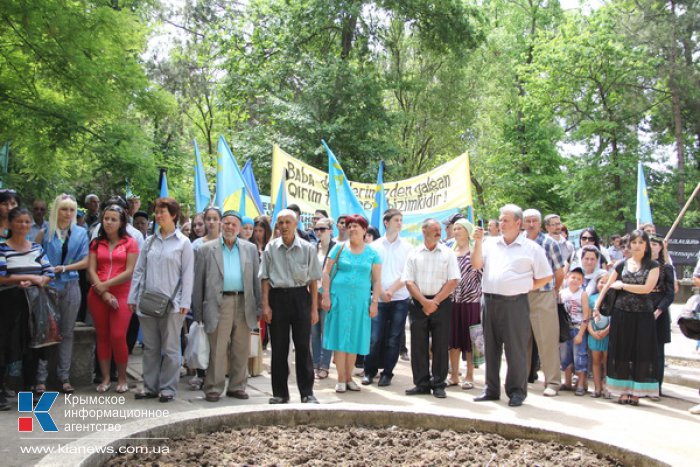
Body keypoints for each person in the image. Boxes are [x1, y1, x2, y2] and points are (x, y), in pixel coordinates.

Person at [472, 204, 552, 407]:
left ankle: (516, 391)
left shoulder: (531, 248)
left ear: (518, 223)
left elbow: (546, 276)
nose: (501, 223)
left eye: (505, 220)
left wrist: (526, 286)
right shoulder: (489, 243)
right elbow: (476, 265)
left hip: (515, 303)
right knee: (490, 347)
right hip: (489, 301)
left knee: (515, 350)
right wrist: (478, 243)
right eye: (500, 219)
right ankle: (491, 388)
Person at [128, 198, 194, 402]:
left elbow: (188, 274)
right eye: (156, 213)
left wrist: (185, 302)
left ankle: (168, 388)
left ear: (173, 215)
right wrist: (133, 296)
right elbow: (139, 271)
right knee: (150, 348)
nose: (158, 216)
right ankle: (150, 386)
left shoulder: (183, 243)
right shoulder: (149, 242)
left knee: (171, 349)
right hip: (147, 303)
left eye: (162, 213)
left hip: (172, 305)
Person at [192, 210, 261, 402]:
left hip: (243, 302)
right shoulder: (206, 249)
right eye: (227, 223)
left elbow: (256, 280)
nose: (230, 227)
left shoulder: (250, 249)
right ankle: (213, 387)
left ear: (239, 228)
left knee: (241, 348)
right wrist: (197, 312)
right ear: (221, 225)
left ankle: (237, 386)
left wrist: (259, 307)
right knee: (218, 348)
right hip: (218, 303)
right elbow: (198, 283)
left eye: (234, 224)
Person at [260, 209, 321, 404]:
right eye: (280, 222)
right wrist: (266, 306)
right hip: (277, 299)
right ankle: (280, 393)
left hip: (300, 297)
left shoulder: (308, 248)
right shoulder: (270, 249)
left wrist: (313, 309)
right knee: (278, 348)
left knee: (303, 346)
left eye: (288, 222)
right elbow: (265, 279)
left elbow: (313, 281)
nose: (284, 226)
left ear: (296, 224)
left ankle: (307, 393)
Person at [594, 229, 660, 406]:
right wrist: (596, 305)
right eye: (634, 242)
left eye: (641, 242)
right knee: (621, 350)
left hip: (643, 314)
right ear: (629, 244)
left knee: (641, 351)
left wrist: (623, 285)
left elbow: (647, 288)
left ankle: (637, 391)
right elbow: (608, 285)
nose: (637, 245)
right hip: (621, 313)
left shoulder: (653, 265)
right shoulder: (621, 264)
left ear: (646, 245)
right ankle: (622, 390)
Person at [0, 208, 54, 409]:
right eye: (19, 221)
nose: (23, 225)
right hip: (8, 305)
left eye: (26, 222)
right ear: (11, 224)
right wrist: (29, 278)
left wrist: (40, 280)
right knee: (5, 346)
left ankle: (29, 390)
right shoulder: (3, 248)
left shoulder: (36, 248)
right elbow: (2, 276)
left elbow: (48, 271)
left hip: (33, 304)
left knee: (32, 347)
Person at [35, 194, 89, 394]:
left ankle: (64, 376)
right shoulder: (45, 232)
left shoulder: (81, 233)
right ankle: (40, 379)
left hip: (71, 285)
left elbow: (86, 261)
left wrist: (64, 268)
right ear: (56, 210)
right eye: (64, 209)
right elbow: (36, 258)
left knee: (67, 332)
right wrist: (49, 271)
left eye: (72, 210)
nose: (68, 213)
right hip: (48, 287)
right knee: (47, 332)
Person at [322, 215, 382, 393]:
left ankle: (349, 377)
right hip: (339, 299)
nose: (353, 229)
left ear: (365, 230)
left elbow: (377, 281)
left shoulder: (373, 254)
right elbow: (326, 273)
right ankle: (340, 378)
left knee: (355, 338)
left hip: (360, 302)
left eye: (357, 226)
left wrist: (374, 303)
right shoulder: (338, 249)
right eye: (350, 226)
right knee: (340, 338)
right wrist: (325, 295)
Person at [402, 218, 460, 399]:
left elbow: (453, 281)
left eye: (439, 230)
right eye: (434, 229)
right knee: (418, 345)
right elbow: (409, 281)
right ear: (424, 230)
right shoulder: (413, 253)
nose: (438, 232)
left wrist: (434, 302)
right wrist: (424, 302)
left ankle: (439, 384)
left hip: (441, 303)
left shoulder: (448, 253)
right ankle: (421, 384)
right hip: (418, 304)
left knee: (440, 344)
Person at [87, 204, 139, 394]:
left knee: (118, 335)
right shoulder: (95, 243)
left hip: (122, 293)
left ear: (121, 222)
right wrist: (102, 291)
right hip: (98, 294)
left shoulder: (130, 242)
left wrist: (106, 286)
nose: (109, 222)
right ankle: (106, 377)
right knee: (102, 336)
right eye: (106, 218)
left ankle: (122, 378)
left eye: (113, 219)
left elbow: (129, 271)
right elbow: (91, 269)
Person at [362, 209, 413, 388]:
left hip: (400, 298)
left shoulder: (407, 247)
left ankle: (387, 373)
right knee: (374, 337)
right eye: (396, 220)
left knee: (394, 338)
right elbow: (369, 272)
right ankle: (369, 371)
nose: (399, 223)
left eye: (401, 220)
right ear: (386, 222)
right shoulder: (374, 246)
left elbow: (408, 273)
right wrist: (381, 291)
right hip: (378, 298)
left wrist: (391, 290)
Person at [522, 208, 564, 397]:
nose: (531, 224)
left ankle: (553, 382)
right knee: (520, 341)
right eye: (527, 221)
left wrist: (553, 291)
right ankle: (520, 379)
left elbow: (559, 273)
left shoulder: (548, 243)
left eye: (534, 221)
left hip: (543, 295)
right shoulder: (518, 242)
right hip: (520, 297)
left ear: (540, 224)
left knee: (547, 340)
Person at [446, 219, 483, 390]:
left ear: (468, 231)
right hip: (453, 300)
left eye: (460, 228)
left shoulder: (475, 249)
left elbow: (477, 266)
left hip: (471, 301)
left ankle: (469, 375)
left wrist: (478, 242)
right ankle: (454, 375)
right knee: (453, 340)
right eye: (454, 228)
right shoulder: (450, 250)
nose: (456, 231)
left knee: (471, 340)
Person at [559, 267, 591, 396]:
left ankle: (581, 383)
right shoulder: (562, 293)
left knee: (580, 356)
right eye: (573, 277)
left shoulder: (583, 294)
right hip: (565, 329)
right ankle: (567, 382)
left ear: (582, 281)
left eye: (579, 278)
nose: (575, 280)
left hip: (577, 328)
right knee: (565, 356)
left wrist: (581, 333)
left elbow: (586, 314)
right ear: (567, 277)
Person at [649, 236, 674, 396]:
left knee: (658, 351)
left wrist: (658, 311)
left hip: (660, 311)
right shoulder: (642, 266)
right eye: (649, 244)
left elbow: (670, 294)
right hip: (643, 308)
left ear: (660, 247)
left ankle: (656, 386)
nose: (652, 247)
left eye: (655, 244)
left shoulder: (667, 268)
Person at [311, 217, 335, 379]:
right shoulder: (312, 247)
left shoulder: (336, 249)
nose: (319, 232)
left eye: (322, 229)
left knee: (327, 331)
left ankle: (325, 364)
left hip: (329, 293)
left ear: (330, 230)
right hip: (313, 294)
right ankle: (314, 363)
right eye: (316, 229)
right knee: (314, 331)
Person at [587, 272, 610, 398]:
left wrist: (606, 330)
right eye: (601, 282)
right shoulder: (591, 298)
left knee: (607, 361)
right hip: (594, 335)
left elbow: (614, 318)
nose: (603, 284)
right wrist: (592, 331)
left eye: (607, 282)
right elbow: (588, 317)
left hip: (608, 335)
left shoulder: (613, 298)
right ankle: (597, 388)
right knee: (595, 361)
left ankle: (607, 388)